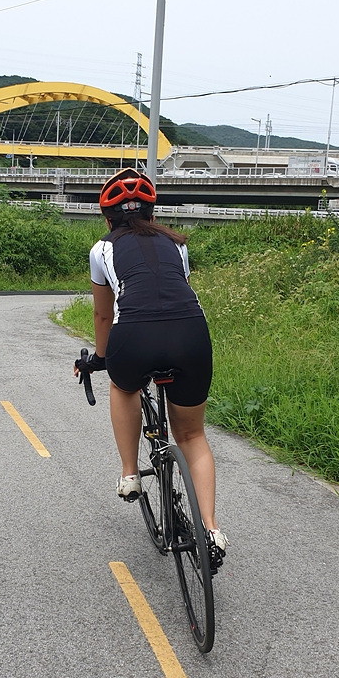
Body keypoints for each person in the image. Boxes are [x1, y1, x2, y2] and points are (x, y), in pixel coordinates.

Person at [76, 167, 226, 559]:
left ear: (107, 219)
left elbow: (104, 315)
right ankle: (212, 531)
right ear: (152, 214)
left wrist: (101, 359)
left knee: (122, 385)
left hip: (134, 336)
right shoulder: (177, 245)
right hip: (191, 334)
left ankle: (130, 473)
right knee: (191, 435)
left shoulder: (101, 249)